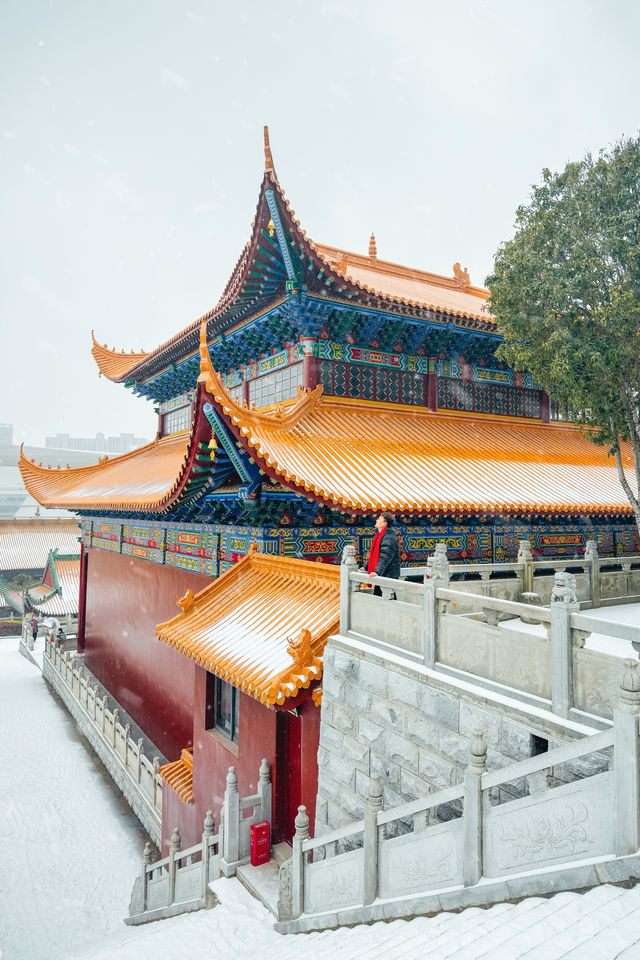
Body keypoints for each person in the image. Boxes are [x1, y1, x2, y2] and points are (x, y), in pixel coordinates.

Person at [361, 511, 401, 596]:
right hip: (383, 574)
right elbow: (374, 555)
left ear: (384, 524)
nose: (377, 520)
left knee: (387, 600)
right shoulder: (379, 536)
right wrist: (366, 568)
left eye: (379, 519)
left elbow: (385, 556)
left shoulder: (389, 537)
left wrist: (377, 572)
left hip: (388, 575)